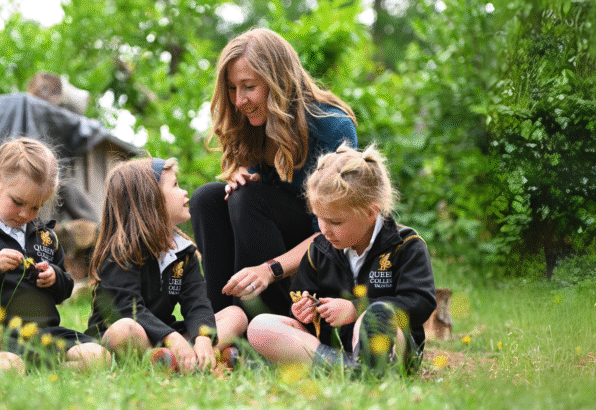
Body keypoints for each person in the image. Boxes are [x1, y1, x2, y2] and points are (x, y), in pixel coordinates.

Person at [190, 27, 358, 319]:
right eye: (232, 88)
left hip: (323, 257)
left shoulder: (333, 127)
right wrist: (243, 176)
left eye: (249, 87)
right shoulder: (254, 125)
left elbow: (334, 233)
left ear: (278, 81)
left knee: (249, 200)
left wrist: (270, 269)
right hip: (272, 243)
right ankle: (219, 325)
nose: (239, 100)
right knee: (209, 198)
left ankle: (263, 324)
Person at [245, 144, 436, 377]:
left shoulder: (406, 245)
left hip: (391, 344)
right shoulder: (319, 249)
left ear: (369, 212)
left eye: (335, 222)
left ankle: (371, 365)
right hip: (331, 346)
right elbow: (302, 296)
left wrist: (356, 310)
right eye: (319, 219)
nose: (324, 230)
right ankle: (346, 367)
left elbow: (421, 303)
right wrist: (302, 310)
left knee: (376, 315)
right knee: (260, 327)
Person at [0, 137, 108, 374]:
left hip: (44, 334)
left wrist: (55, 277)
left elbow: (64, 290)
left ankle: (40, 371)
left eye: (35, 207)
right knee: (9, 368)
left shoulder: (46, 238)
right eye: (18, 202)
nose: (25, 214)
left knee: (99, 356)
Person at [86, 158, 248, 373]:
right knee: (125, 330)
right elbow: (127, 310)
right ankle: (197, 361)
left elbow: (197, 302)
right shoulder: (120, 252)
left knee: (236, 315)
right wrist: (171, 338)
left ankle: (185, 359)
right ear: (150, 200)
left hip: (167, 338)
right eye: (175, 185)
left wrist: (203, 337)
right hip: (131, 336)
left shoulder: (183, 250)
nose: (184, 192)